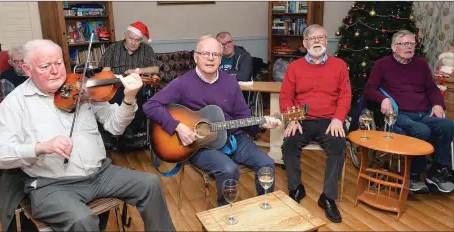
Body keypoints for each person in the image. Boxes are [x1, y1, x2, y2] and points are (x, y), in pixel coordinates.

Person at [0, 39, 175, 232]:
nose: (55, 71)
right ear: (27, 69)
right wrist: (42, 147)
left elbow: (115, 127)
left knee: (150, 184)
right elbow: (3, 156)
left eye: (58, 63)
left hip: (101, 174)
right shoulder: (14, 104)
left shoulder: (83, 89)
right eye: (45, 66)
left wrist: (129, 98)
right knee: (81, 219)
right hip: (52, 185)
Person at [144, 35, 281, 207]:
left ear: (221, 57)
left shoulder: (230, 82)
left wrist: (261, 124)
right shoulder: (182, 83)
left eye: (215, 54)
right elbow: (151, 105)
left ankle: (266, 207)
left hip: (232, 136)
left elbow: (243, 115)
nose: (210, 58)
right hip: (199, 144)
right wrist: (177, 126)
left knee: (266, 163)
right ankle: (225, 213)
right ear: (196, 57)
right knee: (228, 169)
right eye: (205, 53)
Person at [364, 30, 454, 193]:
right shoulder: (382, 65)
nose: (409, 47)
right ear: (394, 47)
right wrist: (383, 99)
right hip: (399, 114)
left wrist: (437, 104)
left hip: (423, 113)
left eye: (412, 43)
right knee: (421, 130)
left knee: (447, 125)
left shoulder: (421, 65)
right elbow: (369, 89)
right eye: (405, 43)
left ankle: (437, 172)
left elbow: (431, 89)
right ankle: (414, 173)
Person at [279, 24, 351, 223]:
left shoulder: (339, 65)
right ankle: (296, 188)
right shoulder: (294, 67)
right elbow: (286, 96)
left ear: (327, 41)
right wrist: (292, 119)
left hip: (330, 120)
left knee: (338, 146)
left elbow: (345, 95)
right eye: (312, 38)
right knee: (289, 144)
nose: (317, 41)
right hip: (301, 118)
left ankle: (327, 197)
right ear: (304, 43)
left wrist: (338, 119)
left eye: (321, 37)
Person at [100, 21, 159, 146]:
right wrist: (112, 80)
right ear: (124, 36)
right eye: (131, 39)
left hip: (137, 87)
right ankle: (113, 133)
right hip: (116, 86)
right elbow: (105, 71)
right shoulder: (113, 48)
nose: (133, 43)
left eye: (137, 40)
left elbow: (155, 69)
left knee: (141, 95)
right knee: (112, 97)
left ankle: (129, 133)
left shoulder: (146, 49)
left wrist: (138, 71)